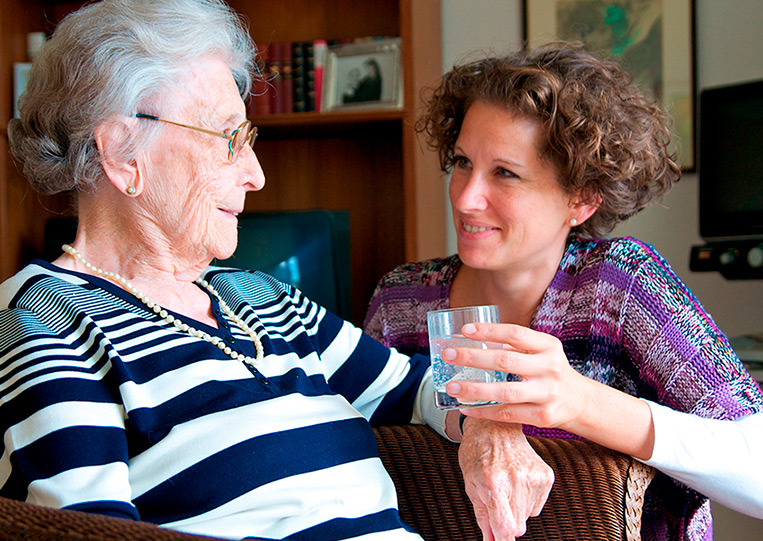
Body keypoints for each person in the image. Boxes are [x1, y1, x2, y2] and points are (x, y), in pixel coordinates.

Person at [0, 1, 527, 539]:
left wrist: (487, 423)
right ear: (121, 155)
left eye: (248, 141)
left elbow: (423, 388)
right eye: (228, 139)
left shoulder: (265, 299)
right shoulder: (47, 326)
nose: (256, 176)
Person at [364, 43, 763, 540]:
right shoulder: (402, 302)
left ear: (583, 199)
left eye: (505, 173)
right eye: (462, 162)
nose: (465, 197)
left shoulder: (619, 286)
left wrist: (579, 402)